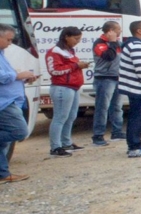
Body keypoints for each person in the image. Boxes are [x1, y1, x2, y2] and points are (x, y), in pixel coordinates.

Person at [0, 24, 37, 183]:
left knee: (4, 141)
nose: (10, 43)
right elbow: (3, 76)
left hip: (10, 100)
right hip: (4, 102)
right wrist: (18, 75)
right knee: (20, 131)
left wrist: (22, 77)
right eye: (8, 40)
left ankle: (3, 173)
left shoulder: (2, 54)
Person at [46, 26, 88, 156]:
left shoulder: (68, 51)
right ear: (66, 37)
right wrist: (76, 66)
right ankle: (55, 146)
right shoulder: (55, 51)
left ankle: (66, 142)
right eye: (76, 38)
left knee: (70, 116)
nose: (77, 41)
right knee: (60, 117)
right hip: (62, 87)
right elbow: (54, 71)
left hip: (71, 87)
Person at [118, 20, 141, 158]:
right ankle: (134, 146)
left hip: (136, 87)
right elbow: (140, 68)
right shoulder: (137, 46)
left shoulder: (134, 44)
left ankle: (136, 144)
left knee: (137, 117)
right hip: (138, 88)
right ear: (139, 31)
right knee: (137, 118)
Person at [90, 20, 125, 146]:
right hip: (104, 78)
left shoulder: (117, 43)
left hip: (117, 77)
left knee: (117, 106)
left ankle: (117, 131)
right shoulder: (100, 43)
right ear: (110, 31)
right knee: (102, 108)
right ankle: (98, 135)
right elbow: (108, 56)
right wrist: (112, 42)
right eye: (118, 29)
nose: (120, 31)